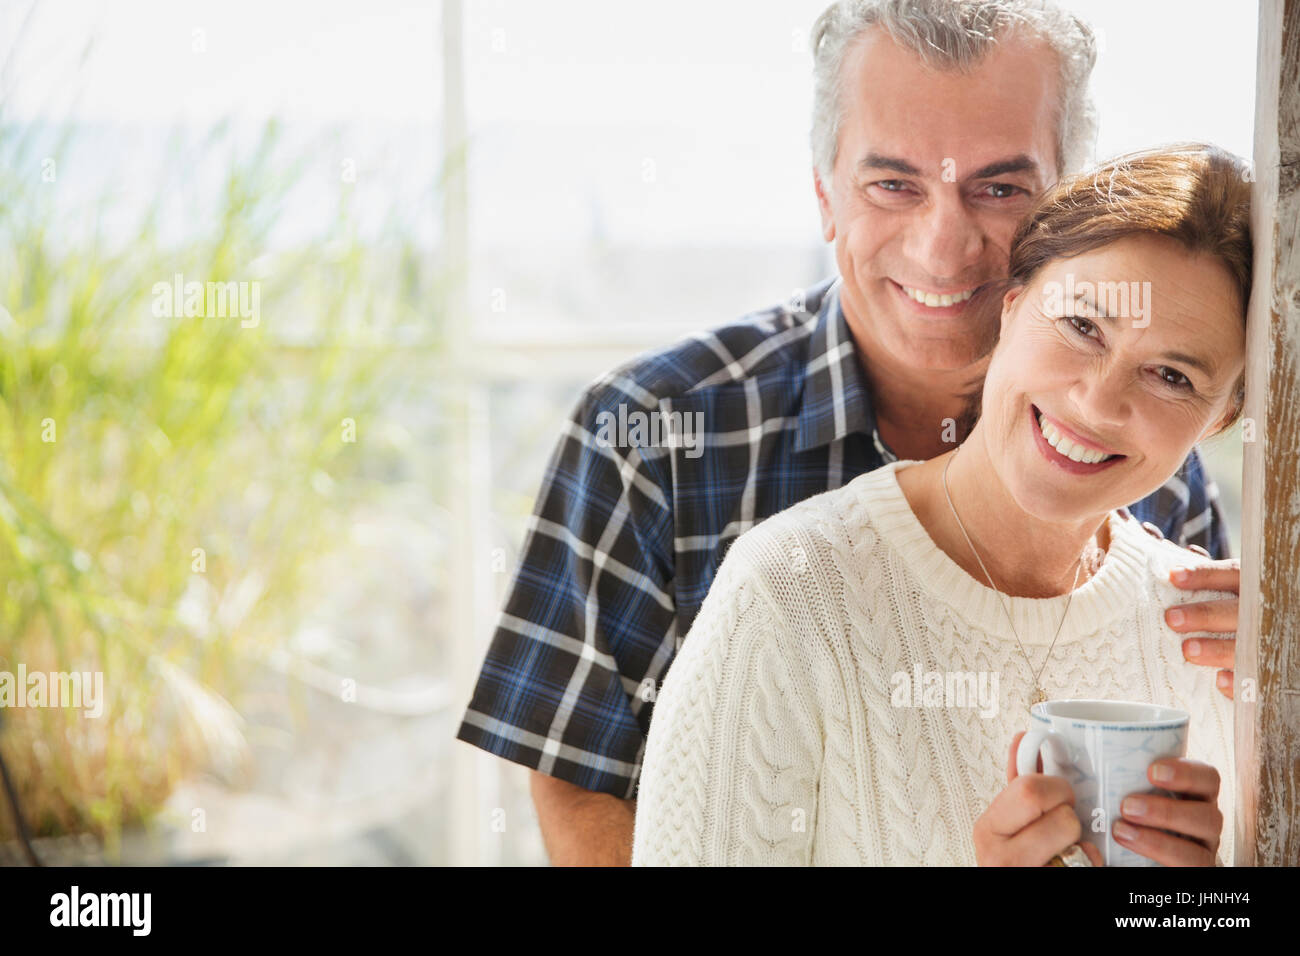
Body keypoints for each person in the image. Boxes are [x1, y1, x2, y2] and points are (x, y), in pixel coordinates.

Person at [455, 0, 1242, 866]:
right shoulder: (653, 435)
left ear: (1065, 205)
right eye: (894, 184)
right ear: (825, 193)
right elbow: (577, 773)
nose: (944, 249)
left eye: (1001, 187)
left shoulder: (1148, 469)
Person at [631, 142, 1249, 866]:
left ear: (1219, 419)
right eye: (1082, 326)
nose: (1097, 401)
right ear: (1012, 311)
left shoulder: (1218, 642)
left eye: (1172, 375)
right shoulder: (794, 591)